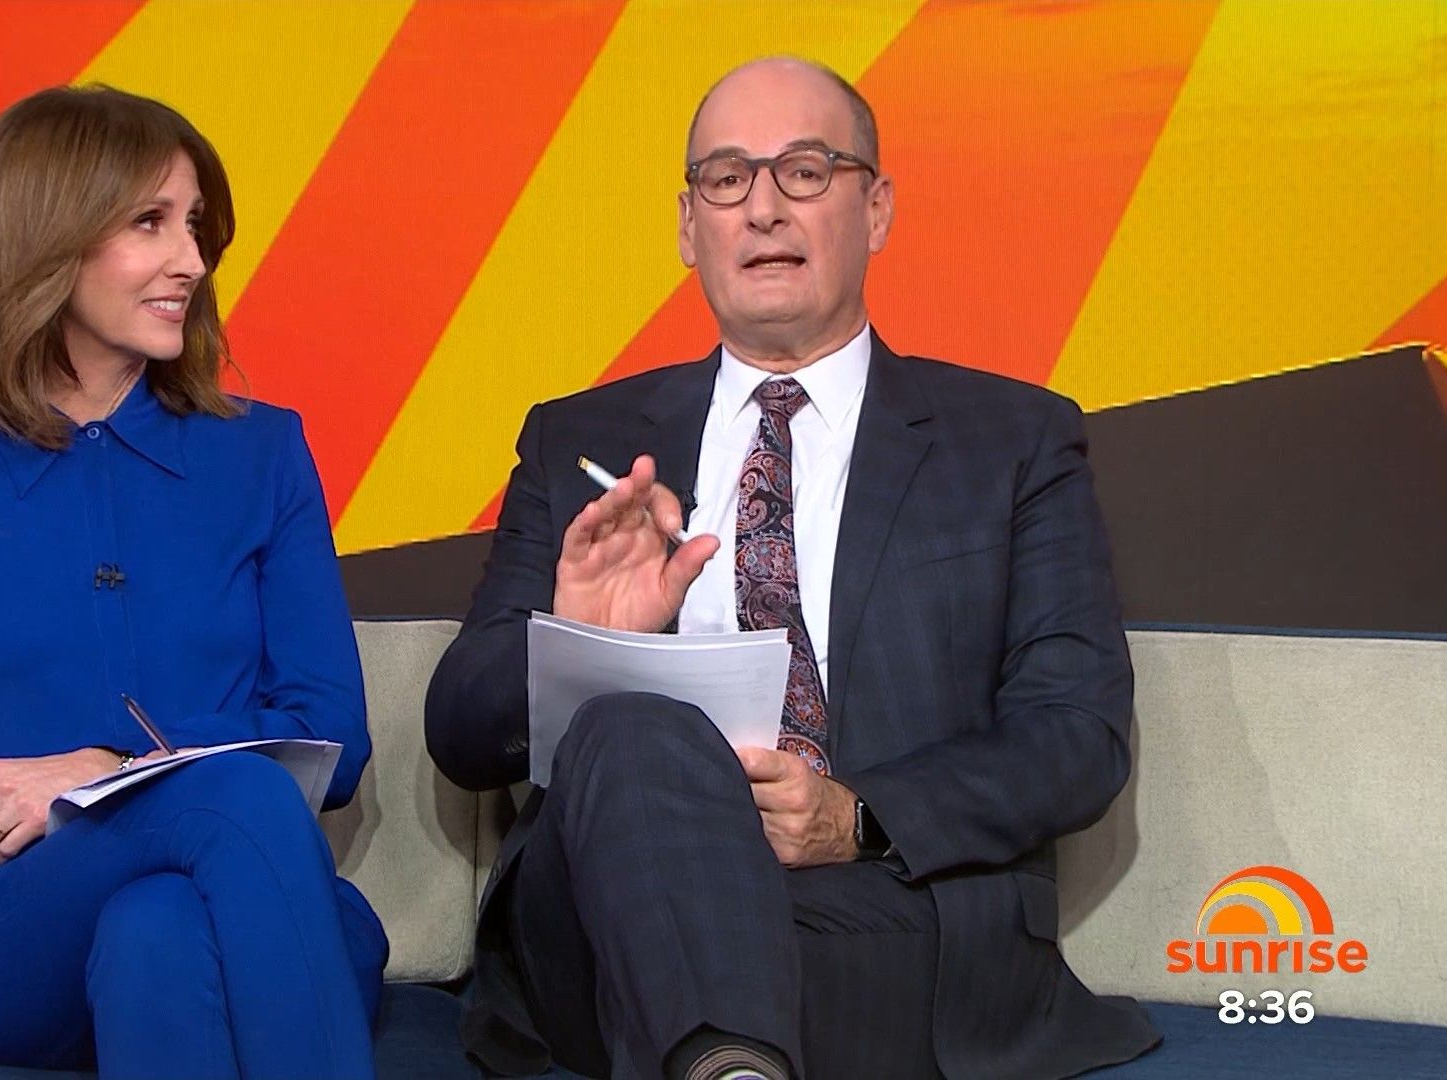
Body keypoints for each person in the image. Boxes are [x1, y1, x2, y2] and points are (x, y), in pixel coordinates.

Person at [425, 57, 1160, 1080]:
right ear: (690, 227)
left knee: (717, 970)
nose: (763, 208)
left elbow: (1075, 734)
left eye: (805, 171)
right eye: (728, 178)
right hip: (604, 909)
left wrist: (855, 816)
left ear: (877, 208)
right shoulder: (581, 442)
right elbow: (463, 734)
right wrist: (581, 641)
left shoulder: (1012, 442)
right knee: (635, 725)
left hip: (877, 908)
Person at [0, 85, 384, 1080]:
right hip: (13, 940)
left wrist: (100, 774)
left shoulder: (262, 454)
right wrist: (63, 820)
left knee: (158, 928)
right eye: (149, 223)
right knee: (231, 797)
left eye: (196, 225)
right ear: (47, 240)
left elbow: (332, 742)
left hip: (239, 908)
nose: (193, 261)